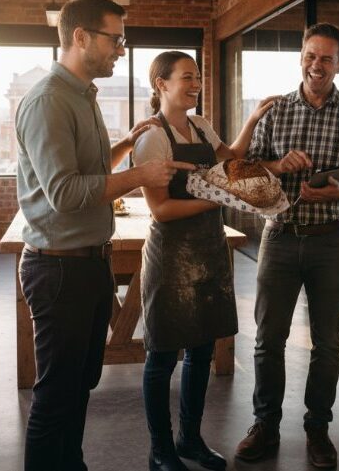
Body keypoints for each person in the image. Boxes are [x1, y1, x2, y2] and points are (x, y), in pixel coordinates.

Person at [15, 0, 194, 471]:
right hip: (59, 270)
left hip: (88, 263)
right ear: (81, 37)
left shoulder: (81, 95)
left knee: (80, 386)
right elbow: (64, 192)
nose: (121, 49)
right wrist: (141, 175)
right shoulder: (49, 101)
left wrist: (127, 145)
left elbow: (87, 171)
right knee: (56, 395)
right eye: (115, 39)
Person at [234, 23, 339, 469]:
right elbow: (245, 172)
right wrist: (279, 165)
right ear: (301, 57)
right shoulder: (276, 111)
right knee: (268, 340)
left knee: (327, 343)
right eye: (310, 56)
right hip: (279, 237)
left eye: (326, 59)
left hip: (332, 241)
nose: (316, 65)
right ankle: (265, 425)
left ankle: (318, 428)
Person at [131, 51, 277, 471]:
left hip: (209, 250)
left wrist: (253, 120)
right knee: (162, 357)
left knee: (201, 350)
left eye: (197, 77)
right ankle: (161, 451)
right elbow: (161, 210)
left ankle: (190, 440)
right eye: (186, 77)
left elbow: (230, 160)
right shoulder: (152, 138)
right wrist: (220, 198)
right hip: (171, 256)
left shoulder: (200, 125)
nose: (195, 84)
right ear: (161, 84)